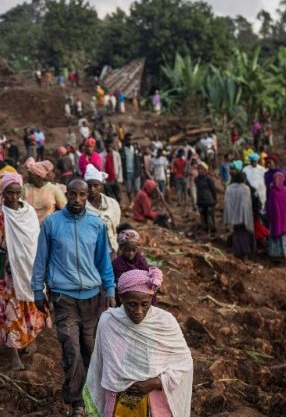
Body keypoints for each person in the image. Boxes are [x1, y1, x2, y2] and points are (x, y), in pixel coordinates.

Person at [31, 179, 117, 416]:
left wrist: (110, 290)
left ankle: (92, 396)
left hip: (92, 299)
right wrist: (38, 290)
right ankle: (77, 403)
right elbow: (41, 260)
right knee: (71, 349)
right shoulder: (51, 224)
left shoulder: (96, 225)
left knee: (90, 349)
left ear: (87, 196)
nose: (78, 200)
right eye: (73, 195)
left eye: (83, 195)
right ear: (65, 194)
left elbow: (103, 262)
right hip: (63, 297)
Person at [83, 267, 193, 417]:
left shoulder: (165, 323)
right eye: (132, 304)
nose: (139, 311)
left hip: (155, 403)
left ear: (151, 299)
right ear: (121, 298)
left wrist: (155, 382)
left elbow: (184, 364)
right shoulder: (109, 322)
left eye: (145, 304)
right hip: (118, 402)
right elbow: (102, 364)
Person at [0, 173, 51, 370]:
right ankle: (13, 354)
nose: (13, 197)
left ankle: (28, 340)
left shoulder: (28, 212)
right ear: (2, 193)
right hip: (6, 273)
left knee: (30, 306)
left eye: (16, 193)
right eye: (9, 193)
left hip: (29, 269)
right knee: (9, 310)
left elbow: (35, 240)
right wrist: (2, 260)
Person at [85, 164, 122, 257]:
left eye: (95, 185)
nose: (92, 189)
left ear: (101, 186)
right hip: (90, 253)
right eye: (89, 186)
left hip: (111, 250)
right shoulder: (81, 206)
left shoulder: (112, 204)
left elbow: (116, 228)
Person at [266, 172, 286, 266]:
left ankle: (284, 260)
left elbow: (270, 207)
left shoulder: (273, 192)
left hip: (277, 221)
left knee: (280, 240)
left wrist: (269, 215)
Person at [223, 168, 255, 259]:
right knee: (245, 235)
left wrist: (228, 217)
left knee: (236, 233)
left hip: (233, 217)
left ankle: (237, 251)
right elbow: (246, 205)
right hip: (244, 217)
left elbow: (226, 203)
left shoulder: (229, 188)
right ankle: (245, 253)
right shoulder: (246, 189)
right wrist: (247, 218)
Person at [111, 229, 150, 302]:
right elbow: (117, 281)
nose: (131, 253)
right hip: (124, 297)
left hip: (142, 294)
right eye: (127, 250)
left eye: (134, 250)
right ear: (121, 248)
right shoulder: (117, 264)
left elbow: (147, 273)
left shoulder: (140, 260)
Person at [23, 159, 67, 224]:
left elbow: (64, 209)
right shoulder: (25, 188)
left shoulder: (53, 189)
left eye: (32, 175)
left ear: (39, 176)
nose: (29, 177)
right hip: (29, 227)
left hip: (48, 228)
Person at [194, 162, 217, 234]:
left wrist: (215, 199)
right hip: (201, 201)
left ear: (205, 170)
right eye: (199, 169)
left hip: (209, 201)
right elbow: (197, 190)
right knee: (203, 217)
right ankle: (206, 230)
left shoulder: (209, 179)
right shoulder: (196, 179)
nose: (200, 171)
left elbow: (213, 190)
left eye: (201, 169)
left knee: (210, 216)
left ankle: (213, 230)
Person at [121, 135, 143, 203]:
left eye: (130, 139)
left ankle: (137, 202)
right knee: (129, 190)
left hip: (136, 172)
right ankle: (131, 201)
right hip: (127, 173)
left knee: (137, 189)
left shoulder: (135, 148)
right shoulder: (122, 150)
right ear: (125, 140)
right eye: (128, 139)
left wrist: (140, 170)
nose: (129, 141)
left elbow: (139, 159)